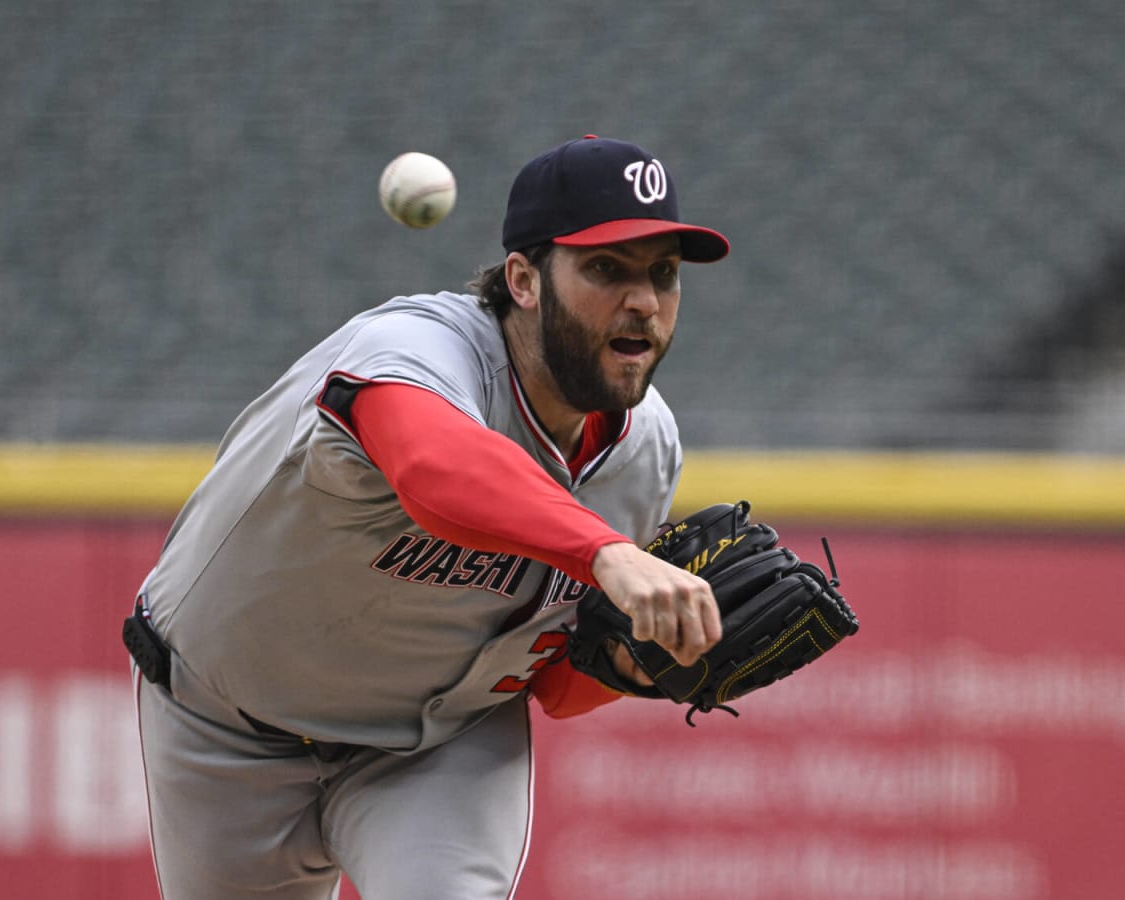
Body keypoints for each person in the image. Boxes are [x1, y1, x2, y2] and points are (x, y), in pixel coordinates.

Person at [124, 135, 731, 900]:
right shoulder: (416, 347)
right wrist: (607, 552)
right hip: (227, 726)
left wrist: (637, 664)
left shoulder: (643, 452)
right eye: (606, 269)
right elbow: (434, 468)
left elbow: (556, 682)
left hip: (437, 748)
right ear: (524, 279)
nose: (643, 300)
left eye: (664, 274)